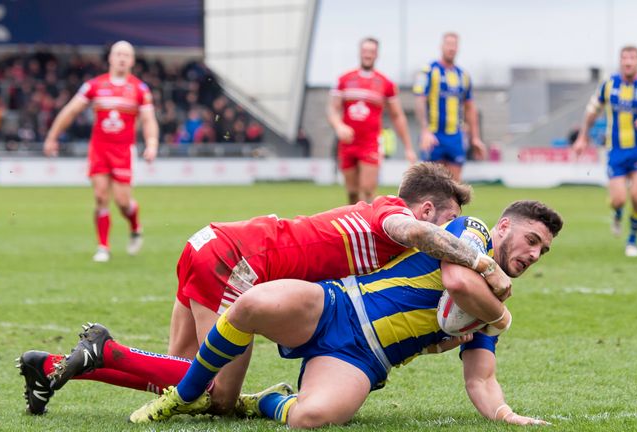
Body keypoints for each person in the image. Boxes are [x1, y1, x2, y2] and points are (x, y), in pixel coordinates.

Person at [17, 163, 512, 416]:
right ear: (426, 210)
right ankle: (106, 349)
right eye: (450, 222)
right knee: (219, 397)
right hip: (237, 263)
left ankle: (51, 368)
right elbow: (422, 238)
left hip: (209, 244)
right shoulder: (396, 219)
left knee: (182, 385)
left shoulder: (380, 225)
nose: (448, 237)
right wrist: (484, 262)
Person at [129, 200, 563, 426]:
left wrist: (507, 415)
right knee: (252, 304)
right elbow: (458, 282)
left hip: (362, 359)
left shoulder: (489, 308)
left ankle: (265, 401)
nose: (534, 253)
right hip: (336, 305)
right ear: (504, 227)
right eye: (531, 239)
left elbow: (480, 378)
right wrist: (501, 315)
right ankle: (182, 397)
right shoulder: (474, 232)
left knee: (310, 417)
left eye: (542, 250)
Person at [43, 41, 159, 263]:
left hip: (124, 151)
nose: (122, 58)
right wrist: (52, 136)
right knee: (100, 196)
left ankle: (135, 226)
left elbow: (148, 119)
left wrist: (152, 143)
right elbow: (70, 110)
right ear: (110, 58)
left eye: (126, 55)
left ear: (132, 61)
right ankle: (103, 246)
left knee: (123, 202)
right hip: (99, 149)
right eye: (118, 54)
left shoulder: (140, 89)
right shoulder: (94, 86)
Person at [572, 45, 637, 257]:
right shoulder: (609, 85)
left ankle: (632, 241)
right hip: (615, 151)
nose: (628, 62)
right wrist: (582, 137)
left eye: (632, 58)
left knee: (636, 196)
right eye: (624, 57)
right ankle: (617, 214)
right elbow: (591, 112)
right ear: (620, 61)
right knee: (619, 200)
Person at [328, 37, 417, 205]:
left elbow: (397, 116)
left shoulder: (386, 83)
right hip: (348, 143)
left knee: (368, 189)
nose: (368, 55)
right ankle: (353, 228)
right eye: (365, 51)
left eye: (371, 52)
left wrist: (408, 147)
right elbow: (332, 109)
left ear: (377, 54)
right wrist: (339, 126)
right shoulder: (344, 80)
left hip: (370, 143)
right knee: (353, 193)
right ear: (360, 52)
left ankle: (371, 228)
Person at [413, 32, 486, 182]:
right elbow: (419, 101)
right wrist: (425, 130)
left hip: (455, 136)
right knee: (431, 183)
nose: (451, 49)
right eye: (448, 45)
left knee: (454, 185)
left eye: (454, 45)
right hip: (433, 135)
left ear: (458, 48)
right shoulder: (428, 71)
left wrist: (475, 138)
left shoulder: (463, 76)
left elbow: (470, 107)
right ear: (441, 46)